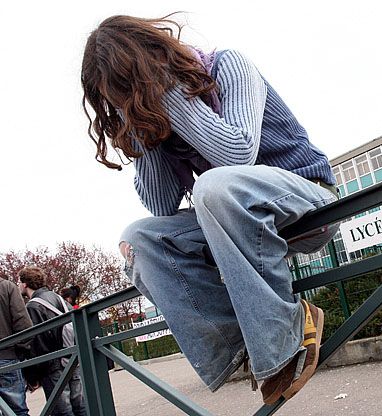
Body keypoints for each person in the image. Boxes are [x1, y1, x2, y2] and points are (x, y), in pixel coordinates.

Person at [81, 14, 338, 404]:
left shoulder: (228, 66)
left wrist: (167, 94)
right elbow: (160, 204)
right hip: (234, 223)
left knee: (213, 186)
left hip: (305, 202)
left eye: (128, 90)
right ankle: (238, 342)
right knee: (139, 239)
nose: (126, 103)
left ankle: (281, 334)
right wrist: (143, 130)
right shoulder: (151, 116)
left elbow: (236, 152)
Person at [18, 267, 86, 416]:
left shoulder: (33, 306)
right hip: (72, 357)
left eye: (19, 282)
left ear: (24, 284)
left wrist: (32, 376)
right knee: (80, 405)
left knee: (62, 409)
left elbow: (38, 344)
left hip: (52, 365)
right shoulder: (60, 299)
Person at [0, 278, 33, 416]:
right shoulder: (7, 287)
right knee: (16, 411)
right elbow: (24, 326)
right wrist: (21, 351)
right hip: (7, 357)